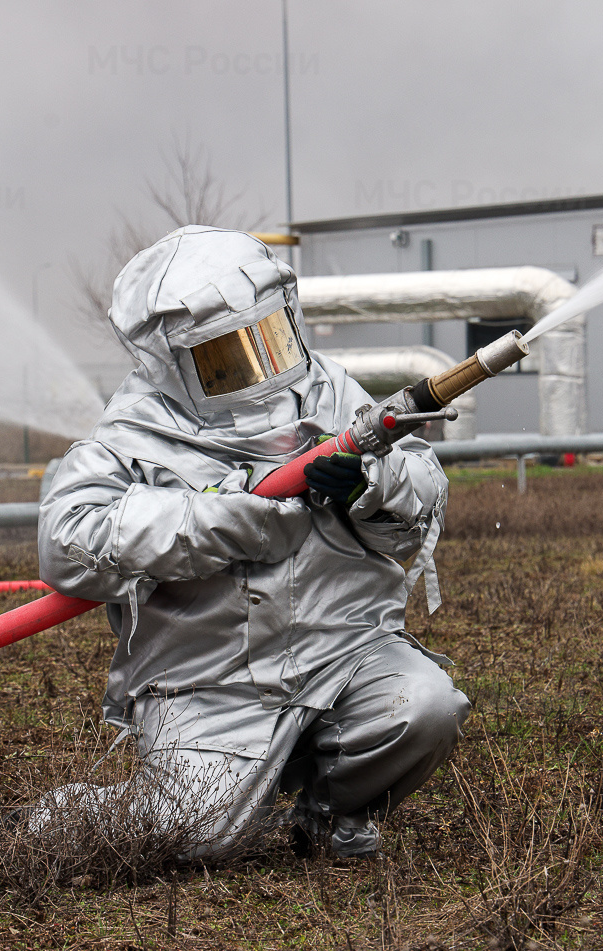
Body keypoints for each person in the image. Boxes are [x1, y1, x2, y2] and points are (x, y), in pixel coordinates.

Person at [35, 226, 470, 859]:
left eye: (268, 336)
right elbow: (68, 542)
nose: (260, 366)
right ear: (173, 363)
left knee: (422, 704)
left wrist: (372, 485)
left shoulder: (331, 390)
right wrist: (228, 520)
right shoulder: (133, 432)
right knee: (191, 835)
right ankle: (57, 821)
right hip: (211, 681)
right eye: (226, 354)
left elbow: (423, 493)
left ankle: (333, 819)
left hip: (342, 655)